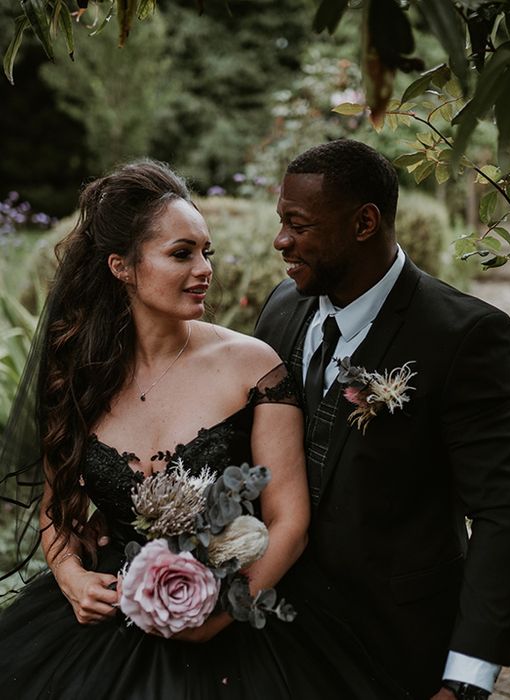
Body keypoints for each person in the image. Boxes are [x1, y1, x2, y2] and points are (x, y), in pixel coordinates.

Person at [0, 159, 404, 699]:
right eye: (181, 253)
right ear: (121, 266)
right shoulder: (79, 374)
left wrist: (223, 610)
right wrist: (72, 578)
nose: (204, 268)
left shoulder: (253, 366)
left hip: (239, 621)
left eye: (205, 251)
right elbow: (56, 506)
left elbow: (289, 520)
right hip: (106, 621)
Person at [254, 139, 510, 700]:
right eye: (280, 221)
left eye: (298, 223)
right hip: (273, 638)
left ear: (365, 223)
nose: (281, 240)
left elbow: (505, 510)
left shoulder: (463, 336)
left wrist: (466, 680)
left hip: (394, 649)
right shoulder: (281, 307)